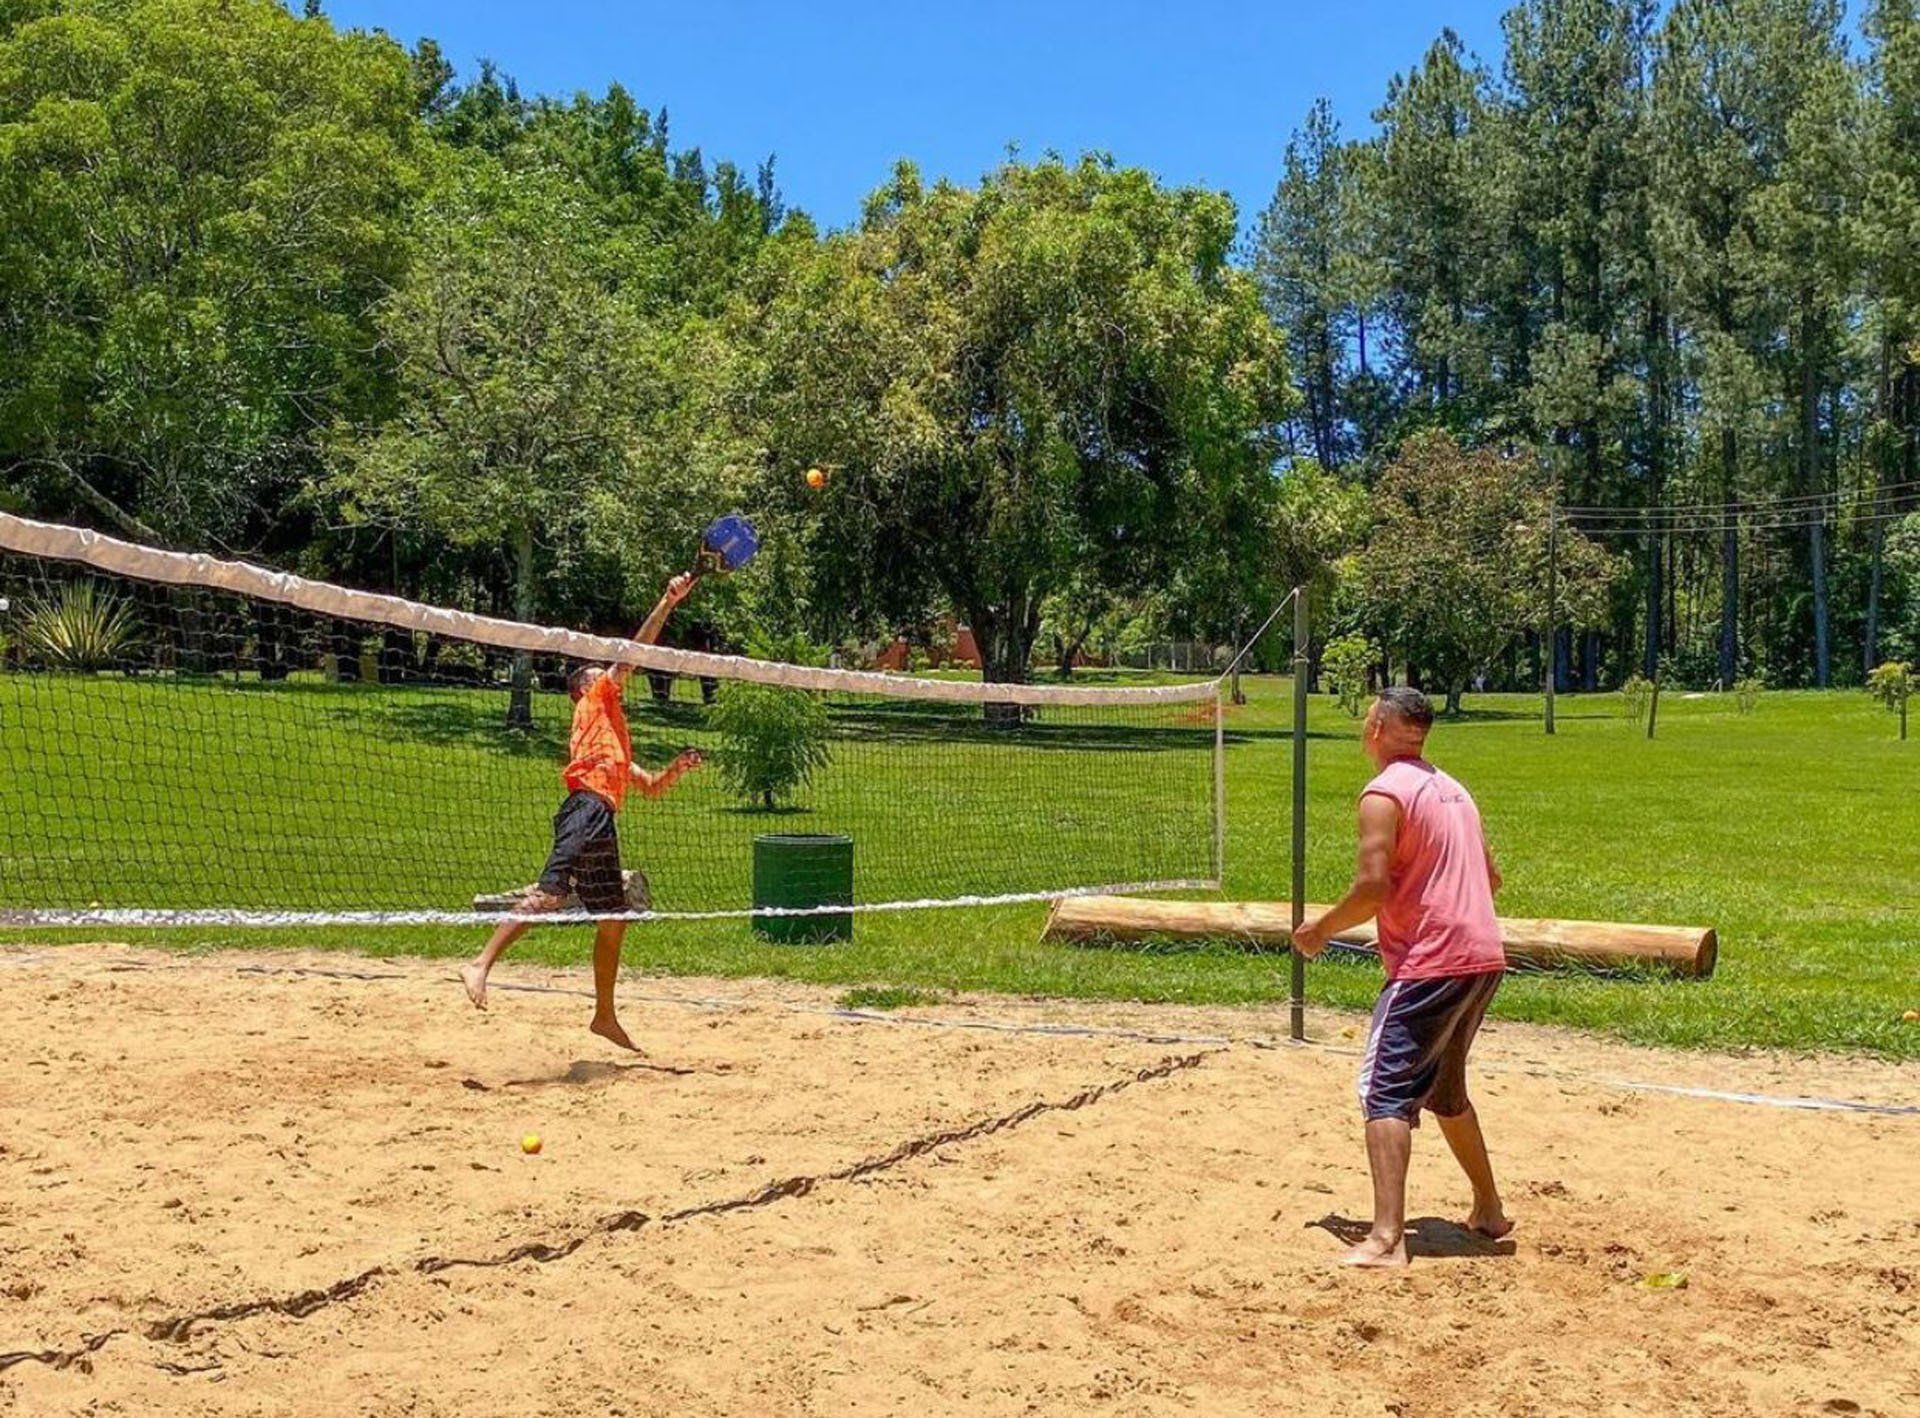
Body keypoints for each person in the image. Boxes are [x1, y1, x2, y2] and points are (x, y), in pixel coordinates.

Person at [1292, 686, 1512, 1268]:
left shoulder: (1383, 793)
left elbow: (1373, 887)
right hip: (1483, 956)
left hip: (1431, 962)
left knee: (1382, 1091)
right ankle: (1488, 1209)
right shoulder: (1453, 790)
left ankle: (1387, 1239)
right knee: (1444, 1091)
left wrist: (1321, 930)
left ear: (1381, 730)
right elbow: (1491, 879)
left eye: (1368, 715)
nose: (1364, 723)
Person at [461, 572, 704, 1052]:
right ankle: (481, 963)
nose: (611, 676)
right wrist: (668, 600)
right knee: (551, 895)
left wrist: (677, 766)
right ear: (584, 689)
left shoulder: (610, 741)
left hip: (601, 815)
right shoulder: (594, 699)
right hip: (585, 809)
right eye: (601, 672)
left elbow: (651, 788)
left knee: (614, 918)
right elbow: (634, 653)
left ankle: (604, 1016)